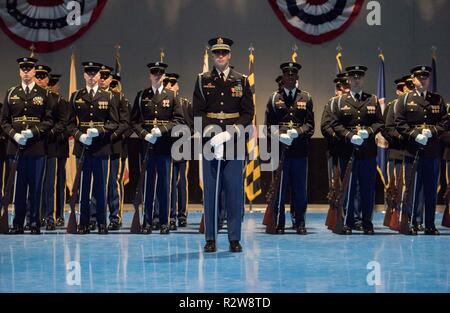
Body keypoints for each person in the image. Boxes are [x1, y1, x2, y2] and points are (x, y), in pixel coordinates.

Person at [193, 37, 254, 252]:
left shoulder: (242, 80)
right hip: (210, 142)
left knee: (234, 191)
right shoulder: (202, 79)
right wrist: (211, 135)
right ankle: (210, 238)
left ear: (229, 55)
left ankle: (234, 238)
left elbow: (248, 112)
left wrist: (231, 133)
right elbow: (198, 112)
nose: (220, 56)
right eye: (216, 53)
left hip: (234, 141)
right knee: (211, 192)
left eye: (223, 53)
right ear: (212, 55)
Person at [2, 57, 55, 234]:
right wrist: (14, 135)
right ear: (19, 71)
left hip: (36, 146)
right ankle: (17, 222)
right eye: (23, 69)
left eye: (29, 69)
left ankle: (34, 222)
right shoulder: (11, 93)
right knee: (18, 186)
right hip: (15, 146)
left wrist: (33, 132)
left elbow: (49, 121)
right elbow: (3, 121)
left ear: (33, 71)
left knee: (35, 185)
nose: (26, 72)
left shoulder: (44, 94)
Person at [331, 65, 384, 235]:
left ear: (363, 79)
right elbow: (335, 124)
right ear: (348, 80)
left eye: (359, 77)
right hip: (348, 151)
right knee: (348, 188)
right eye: (353, 77)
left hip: (368, 152)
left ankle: (367, 222)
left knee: (368, 188)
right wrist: (349, 135)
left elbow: (379, 122)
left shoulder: (372, 100)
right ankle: (348, 222)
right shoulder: (340, 101)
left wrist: (368, 132)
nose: (356, 80)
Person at [131, 61, 183, 234]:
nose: (157, 76)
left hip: (165, 146)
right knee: (148, 186)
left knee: (165, 185)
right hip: (147, 146)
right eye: (154, 73)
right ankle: (146, 222)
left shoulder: (172, 96)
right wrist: (144, 134)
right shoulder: (141, 96)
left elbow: (178, 120)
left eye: (160, 73)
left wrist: (161, 130)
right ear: (150, 75)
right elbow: (134, 121)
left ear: (164, 76)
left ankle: (164, 222)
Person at [67, 61, 119, 234]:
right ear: (84, 75)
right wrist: (79, 135)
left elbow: (114, 123)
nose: (91, 77)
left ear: (99, 76)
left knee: (101, 186)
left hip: (101, 147)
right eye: (88, 73)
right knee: (83, 187)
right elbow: (69, 124)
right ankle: (83, 223)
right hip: (82, 147)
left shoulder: (109, 96)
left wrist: (99, 131)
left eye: (94, 74)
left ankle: (102, 223)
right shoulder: (76, 96)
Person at [394, 65, 447, 235]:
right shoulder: (405, 99)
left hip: (432, 150)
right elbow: (399, 122)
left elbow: (445, 122)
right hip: (413, 149)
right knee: (412, 189)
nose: (423, 80)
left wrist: (432, 131)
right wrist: (414, 134)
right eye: (420, 78)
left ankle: (430, 224)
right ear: (414, 80)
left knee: (431, 189)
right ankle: (411, 222)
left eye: (426, 77)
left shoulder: (437, 99)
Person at [264, 62, 314, 234]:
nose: (290, 77)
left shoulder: (306, 98)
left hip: (299, 151)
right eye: (287, 75)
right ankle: (279, 222)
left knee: (300, 189)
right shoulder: (273, 98)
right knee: (279, 188)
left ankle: (300, 222)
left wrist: (298, 132)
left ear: (297, 78)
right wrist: (280, 135)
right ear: (283, 77)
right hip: (280, 152)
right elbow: (268, 126)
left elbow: (310, 125)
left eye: (293, 75)